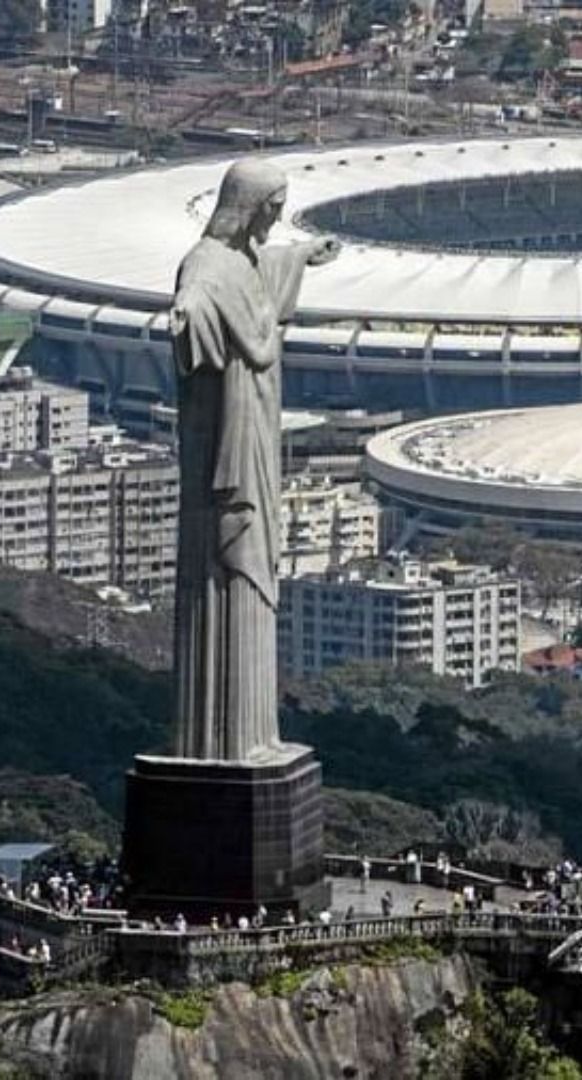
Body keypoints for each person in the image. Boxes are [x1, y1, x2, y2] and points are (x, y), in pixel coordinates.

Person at [169, 159, 339, 761]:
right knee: (229, 576)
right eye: (270, 209)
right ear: (247, 206)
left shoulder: (242, 260)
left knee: (256, 578)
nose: (273, 220)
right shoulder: (206, 265)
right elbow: (198, 292)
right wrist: (189, 312)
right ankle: (224, 740)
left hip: (260, 432)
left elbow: (256, 270)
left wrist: (303, 254)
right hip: (230, 445)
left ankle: (255, 735)